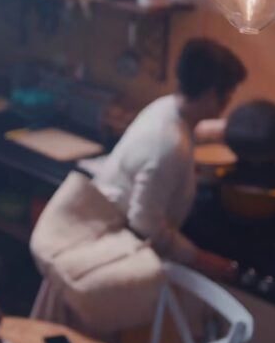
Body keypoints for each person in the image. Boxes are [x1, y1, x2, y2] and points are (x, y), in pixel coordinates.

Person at [93, 38, 247, 278]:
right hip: (113, 254)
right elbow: (145, 223)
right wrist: (199, 258)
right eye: (227, 96)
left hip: (105, 233)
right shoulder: (170, 147)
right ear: (210, 95)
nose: (228, 103)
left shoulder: (165, 107)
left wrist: (227, 129)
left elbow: (188, 131)